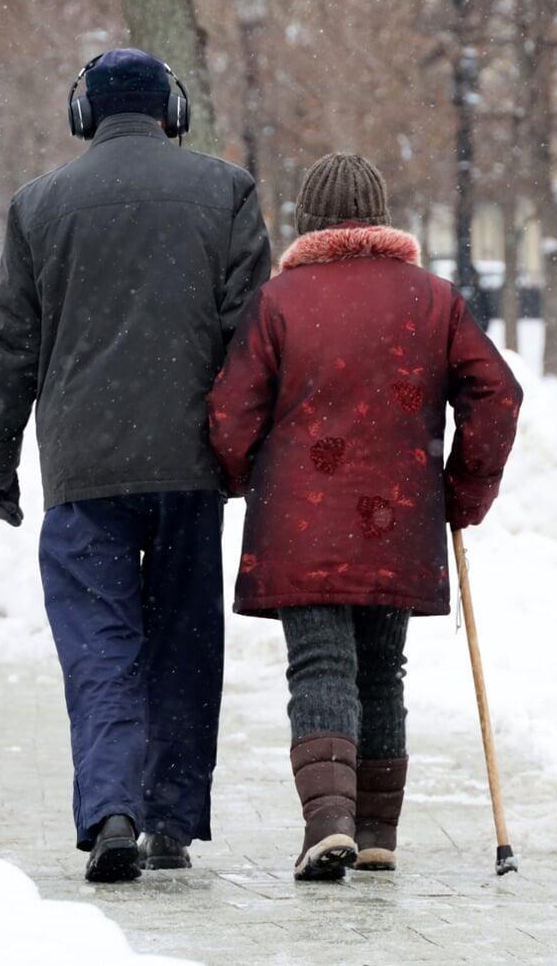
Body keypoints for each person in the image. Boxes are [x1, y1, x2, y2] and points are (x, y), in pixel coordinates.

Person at [0, 47, 271, 883]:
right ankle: (171, 815)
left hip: (83, 467)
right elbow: (251, 339)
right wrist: (240, 450)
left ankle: (112, 809)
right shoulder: (228, 191)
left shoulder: (38, 206)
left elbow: (12, 350)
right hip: (187, 463)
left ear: (83, 115)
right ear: (172, 110)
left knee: (100, 646)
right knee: (182, 638)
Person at [208, 153, 522, 881]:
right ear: (381, 218)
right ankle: (377, 830)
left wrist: (246, 476)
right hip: (399, 519)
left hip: (301, 524)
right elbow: (497, 395)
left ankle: (329, 825)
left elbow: (230, 414)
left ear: (307, 222)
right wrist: (462, 488)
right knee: (383, 669)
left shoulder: (278, 302)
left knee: (320, 664)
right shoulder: (434, 300)